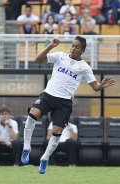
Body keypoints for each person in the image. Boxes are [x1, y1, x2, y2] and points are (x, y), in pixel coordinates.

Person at [21, 36, 115, 174]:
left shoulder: (85, 67)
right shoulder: (60, 56)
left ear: (82, 50)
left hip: (64, 102)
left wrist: (101, 85)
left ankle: (45, 158)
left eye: (76, 47)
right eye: (72, 45)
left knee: (57, 132)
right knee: (31, 114)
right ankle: (26, 147)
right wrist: (50, 46)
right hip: (48, 95)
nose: (73, 48)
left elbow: (95, 87)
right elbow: (38, 60)